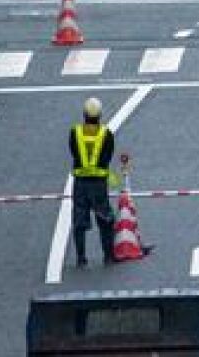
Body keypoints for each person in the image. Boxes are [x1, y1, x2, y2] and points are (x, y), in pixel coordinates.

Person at [69, 97, 118, 268]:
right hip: (99, 184)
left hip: (80, 183)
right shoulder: (106, 134)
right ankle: (108, 255)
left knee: (79, 221)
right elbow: (108, 156)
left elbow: (73, 152)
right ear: (100, 115)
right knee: (104, 220)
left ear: (84, 114)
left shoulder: (75, 132)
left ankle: (81, 258)